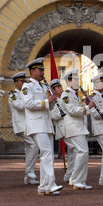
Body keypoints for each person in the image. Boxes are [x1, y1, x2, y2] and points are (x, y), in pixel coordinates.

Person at [22, 58, 62, 195]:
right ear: (32, 71)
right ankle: (50, 184)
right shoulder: (27, 86)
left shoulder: (44, 86)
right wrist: (46, 101)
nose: (42, 72)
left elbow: (49, 107)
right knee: (47, 153)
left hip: (46, 124)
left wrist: (52, 99)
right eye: (40, 70)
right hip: (36, 124)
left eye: (43, 70)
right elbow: (29, 104)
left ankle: (44, 187)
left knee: (47, 153)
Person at [60, 68, 95, 190]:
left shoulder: (75, 95)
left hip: (80, 128)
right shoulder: (66, 95)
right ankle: (75, 179)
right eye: (76, 79)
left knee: (84, 153)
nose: (78, 82)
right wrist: (88, 107)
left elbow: (79, 110)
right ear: (69, 80)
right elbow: (72, 111)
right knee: (82, 152)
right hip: (73, 128)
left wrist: (85, 104)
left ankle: (80, 180)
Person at [8, 72, 39, 185]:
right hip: (21, 125)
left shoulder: (25, 93)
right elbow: (20, 106)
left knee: (29, 149)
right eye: (22, 81)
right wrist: (30, 101)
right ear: (16, 83)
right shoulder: (13, 95)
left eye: (25, 81)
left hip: (28, 125)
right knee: (34, 145)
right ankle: (29, 172)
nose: (25, 83)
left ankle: (29, 178)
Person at [49, 78, 73, 182]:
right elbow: (53, 116)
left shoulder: (63, 99)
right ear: (53, 90)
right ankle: (69, 175)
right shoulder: (53, 102)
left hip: (70, 128)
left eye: (60, 87)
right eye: (58, 87)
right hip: (63, 128)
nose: (60, 89)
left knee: (73, 153)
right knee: (76, 150)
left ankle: (69, 175)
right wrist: (63, 111)